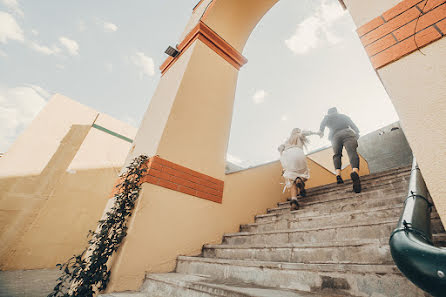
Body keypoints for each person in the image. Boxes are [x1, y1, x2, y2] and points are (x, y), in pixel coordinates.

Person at [318, 107, 361, 193]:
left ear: (328, 112)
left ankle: (338, 175)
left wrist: (321, 132)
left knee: (337, 155)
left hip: (335, 136)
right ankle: (355, 172)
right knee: (352, 152)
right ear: (336, 111)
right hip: (347, 132)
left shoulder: (327, 117)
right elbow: (353, 125)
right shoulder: (343, 116)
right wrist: (357, 133)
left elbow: (322, 125)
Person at [278, 128, 318, 210]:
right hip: (298, 153)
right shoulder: (299, 135)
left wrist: (284, 162)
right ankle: (300, 180)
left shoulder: (286, 141)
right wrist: (316, 133)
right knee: (304, 174)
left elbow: (279, 148)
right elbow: (306, 132)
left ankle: (294, 201)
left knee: (292, 180)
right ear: (298, 131)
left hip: (287, 156)